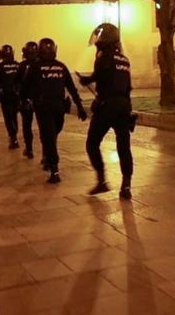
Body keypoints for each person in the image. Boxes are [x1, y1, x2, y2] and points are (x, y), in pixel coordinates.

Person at [81, 23, 136, 199]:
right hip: (123, 106)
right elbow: (128, 87)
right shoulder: (125, 59)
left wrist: (86, 79)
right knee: (123, 147)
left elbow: (100, 75)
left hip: (107, 106)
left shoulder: (103, 56)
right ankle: (126, 185)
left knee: (92, 143)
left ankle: (102, 181)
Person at [23, 38, 86, 183]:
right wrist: (80, 107)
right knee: (51, 135)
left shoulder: (34, 66)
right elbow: (72, 89)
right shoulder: (61, 66)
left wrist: (24, 100)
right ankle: (54, 168)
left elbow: (25, 86)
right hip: (57, 107)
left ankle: (48, 156)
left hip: (46, 107)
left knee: (50, 136)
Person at [0, 45, 22, 150]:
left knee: (8, 117)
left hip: (6, 96)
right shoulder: (18, 65)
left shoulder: (0, 66)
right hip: (17, 95)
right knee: (14, 116)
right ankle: (14, 136)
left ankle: (13, 137)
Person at [17, 41, 40, 159]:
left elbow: (19, 83)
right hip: (41, 100)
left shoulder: (22, 65)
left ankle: (29, 148)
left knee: (27, 126)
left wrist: (21, 99)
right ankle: (46, 154)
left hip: (27, 100)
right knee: (45, 128)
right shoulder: (42, 64)